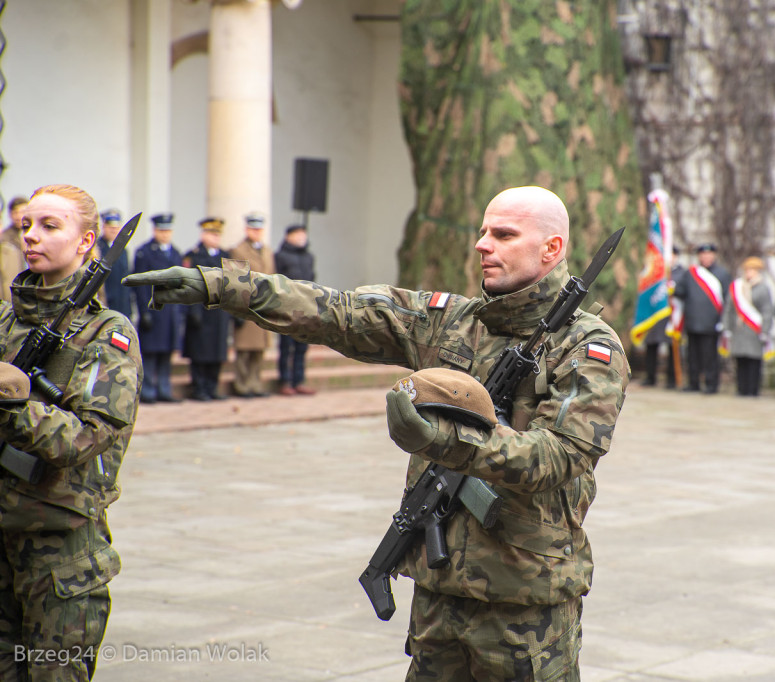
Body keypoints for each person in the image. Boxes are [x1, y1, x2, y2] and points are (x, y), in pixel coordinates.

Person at [124, 185, 629, 680]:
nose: (482, 244)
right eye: (481, 232)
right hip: (439, 593)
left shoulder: (588, 347)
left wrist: (444, 443)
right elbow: (338, 311)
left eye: (502, 234)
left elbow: (558, 457)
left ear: (552, 248)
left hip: (525, 604)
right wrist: (224, 287)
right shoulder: (453, 321)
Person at [0, 184, 142, 680]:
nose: (32, 237)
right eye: (26, 226)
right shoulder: (3, 321)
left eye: (50, 226)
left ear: (85, 242)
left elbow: (85, 439)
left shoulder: (106, 333)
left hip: (59, 552)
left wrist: (13, 405)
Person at [132, 213, 183, 404]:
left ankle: (164, 388)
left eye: (168, 230)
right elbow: (141, 285)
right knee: (151, 353)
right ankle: (148, 391)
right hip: (153, 310)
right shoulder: (145, 252)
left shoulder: (176, 253)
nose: (165, 234)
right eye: (162, 230)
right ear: (155, 231)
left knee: (166, 353)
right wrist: (144, 312)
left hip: (170, 312)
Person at [181, 217, 232, 401]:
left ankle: (212, 387)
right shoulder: (193, 256)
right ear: (203, 235)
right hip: (201, 310)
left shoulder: (226, 256)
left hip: (220, 313)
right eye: (212, 234)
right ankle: (199, 388)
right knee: (199, 352)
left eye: (218, 234)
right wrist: (193, 311)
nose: (215, 237)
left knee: (217, 352)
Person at [673, 242, 731, 393]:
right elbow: (680, 291)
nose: (705, 257)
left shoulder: (722, 274)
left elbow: (728, 300)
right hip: (692, 321)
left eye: (708, 254)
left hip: (711, 323)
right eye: (702, 254)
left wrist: (723, 321)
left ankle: (711, 384)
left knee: (710, 356)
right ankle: (693, 383)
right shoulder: (691, 273)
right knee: (693, 355)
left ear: (714, 255)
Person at [228, 212, 275, 398]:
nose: (257, 232)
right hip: (247, 305)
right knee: (244, 350)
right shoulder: (238, 250)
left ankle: (255, 383)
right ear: (247, 229)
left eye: (259, 229)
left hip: (264, 306)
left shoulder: (267, 251)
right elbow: (235, 280)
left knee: (259, 350)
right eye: (253, 229)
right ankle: (242, 384)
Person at [273, 224, 317, 396]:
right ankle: (284, 381)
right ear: (288, 236)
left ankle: (299, 380)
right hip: (287, 307)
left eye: (303, 234)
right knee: (286, 346)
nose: (301, 237)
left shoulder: (309, 257)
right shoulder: (280, 256)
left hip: (306, 307)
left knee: (302, 346)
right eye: (297, 234)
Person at [722, 256, 774, 396]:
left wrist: (765, 330)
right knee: (741, 360)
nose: (749, 273)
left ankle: (753, 389)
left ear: (758, 272)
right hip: (739, 329)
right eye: (747, 270)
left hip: (754, 330)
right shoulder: (737, 286)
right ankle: (741, 388)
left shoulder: (763, 288)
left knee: (753, 361)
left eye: (752, 270)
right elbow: (729, 308)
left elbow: (767, 311)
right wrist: (726, 328)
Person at [642, 245, 682, 388]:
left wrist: (674, 289)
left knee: (672, 346)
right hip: (655, 315)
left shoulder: (681, 273)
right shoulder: (654, 272)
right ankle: (650, 377)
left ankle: (671, 379)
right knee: (652, 345)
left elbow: (684, 292)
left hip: (672, 316)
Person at [98, 209, 133, 319]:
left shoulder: (123, 250)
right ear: (103, 226)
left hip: (122, 307)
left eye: (116, 227)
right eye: (110, 227)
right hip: (105, 305)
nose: (114, 230)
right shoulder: (97, 249)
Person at [0, 197, 28, 302]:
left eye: (23, 211)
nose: (19, 216)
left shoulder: (34, 235)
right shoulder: (5, 238)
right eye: (15, 212)